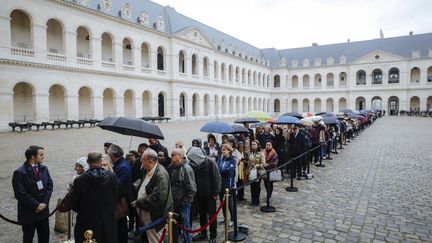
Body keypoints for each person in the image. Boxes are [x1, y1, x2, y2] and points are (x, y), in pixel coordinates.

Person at [68, 151, 119, 243]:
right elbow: (115, 195)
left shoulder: (80, 180)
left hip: (87, 219)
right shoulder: (112, 176)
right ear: (100, 161)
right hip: (106, 218)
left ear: (88, 161)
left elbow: (73, 203)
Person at [12, 146, 53, 243]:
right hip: (28, 212)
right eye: (41, 154)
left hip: (43, 211)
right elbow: (20, 193)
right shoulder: (20, 172)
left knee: (44, 237)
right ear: (32, 157)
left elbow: (50, 186)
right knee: (28, 238)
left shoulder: (44, 168)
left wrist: (44, 203)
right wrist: (36, 205)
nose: (43, 157)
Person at [132, 149, 173, 243]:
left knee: (155, 240)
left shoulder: (160, 175)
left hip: (154, 216)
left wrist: (139, 202)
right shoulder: (147, 170)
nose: (141, 161)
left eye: (143, 159)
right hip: (147, 215)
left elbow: (158, 199)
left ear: (150, 161)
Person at [187, 147, 221, 242]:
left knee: (212, 216)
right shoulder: (194, 164)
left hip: (210, 195)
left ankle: (213, 235)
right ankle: (203, 233)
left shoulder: (210, 162)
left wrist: (215, 193)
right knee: (202, 215)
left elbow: (217, 178)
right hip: (199, 194)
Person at [168, 148, 197, 243]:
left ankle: (187, 241)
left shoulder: (186, 169)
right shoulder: (171, 167)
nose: (171, 157)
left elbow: (192, 189)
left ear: (179, 156)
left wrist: (185, 202)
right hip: (173, 202)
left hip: (183, 204)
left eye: (173, 155)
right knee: (173, 225)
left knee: (185, 226)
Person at [107, 144, 133, 243]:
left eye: (109, 155)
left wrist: (110, 170)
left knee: (121, 226)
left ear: (113, 155)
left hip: (122, 201)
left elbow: (118, 185)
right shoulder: (120, 164)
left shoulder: (123, 166)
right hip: (119, 198)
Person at [217, 144, 236, 226]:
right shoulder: (221, 159)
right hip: (221, 184)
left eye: (224, 149)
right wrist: (221, 170)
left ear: (229, 150)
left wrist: (221, 171)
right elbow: (217, 168)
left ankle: (233, 219)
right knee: (223, 203)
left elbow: (230, 171)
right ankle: (225, 218)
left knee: (230, 204)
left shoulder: (232, 160)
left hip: (229, 185)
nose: (223, 151)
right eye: (222, 149)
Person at [248, 140, 266, 206]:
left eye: (254, 144)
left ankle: (256, 201)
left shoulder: (261, 153)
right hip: (252, 171)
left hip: (258, 171)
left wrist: (257, 165)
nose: (253, 145)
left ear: (257, 145)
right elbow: (249, 161)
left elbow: (263, 163)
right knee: (252, 186)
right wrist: (250, 165)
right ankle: (253, 200)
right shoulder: (250, 153)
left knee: (257, 186)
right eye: (252, 144)